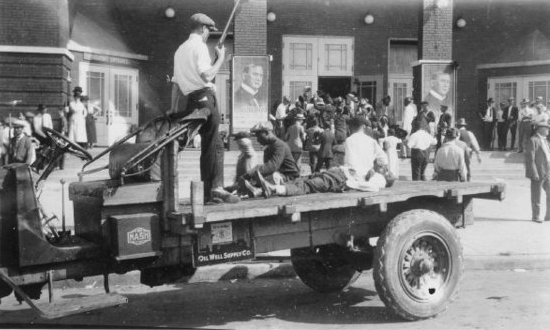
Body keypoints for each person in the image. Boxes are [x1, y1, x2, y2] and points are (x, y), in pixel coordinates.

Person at [171, 13, 236, 203]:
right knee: (213, 145)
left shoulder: (179, 50)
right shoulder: (199, 46)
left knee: (211, 145)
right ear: (202, 29)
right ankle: (215, 188)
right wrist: (221, 59)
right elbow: (207, 76)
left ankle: (212, 190)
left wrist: (172, 109)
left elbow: (175, 84)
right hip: (206, 98)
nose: (209, 34)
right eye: (209, 30)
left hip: (191, 101)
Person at [244, 121, 300, 187]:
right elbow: (267, 169)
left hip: (290, 178)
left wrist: (253, 172)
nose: (258, 140)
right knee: (254, 180)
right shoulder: (269, 146)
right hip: (279, 175)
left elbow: (272, 166)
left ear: (267, 133)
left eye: (259, 136)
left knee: (270, 177)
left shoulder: (279, 145)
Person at [344, 116, 388, 180]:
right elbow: (383, 159)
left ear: (350, 127)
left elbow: (348, 161)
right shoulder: (371, 141)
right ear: (363, 126)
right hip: (367, 175)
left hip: (352, 175)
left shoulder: (348, 140)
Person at [525, 121, 550, 223]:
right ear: (540, 129)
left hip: (548, 171)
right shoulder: (533, 140)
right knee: (536, 194)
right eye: (547, 129)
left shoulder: (546, 141)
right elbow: (530, 159)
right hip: (538, 172)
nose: (548, 131)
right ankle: (536, 216)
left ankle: (548, 216)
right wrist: (534, 172)